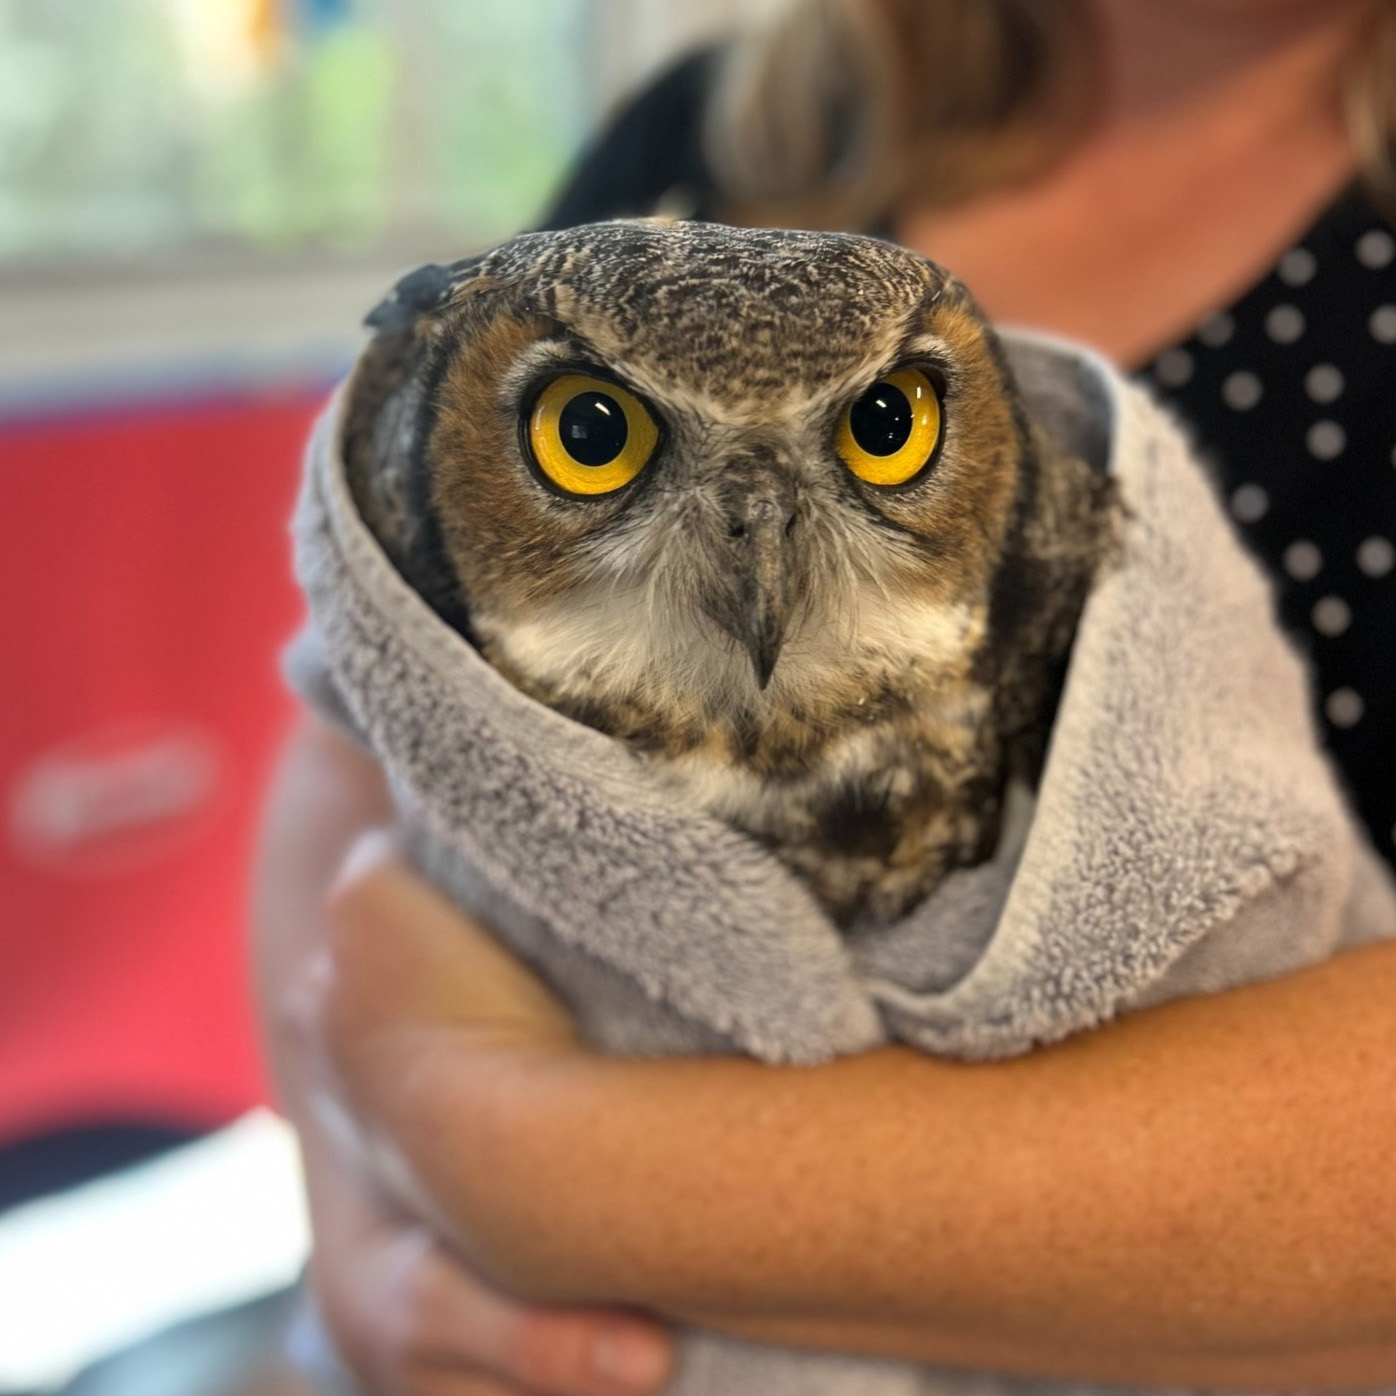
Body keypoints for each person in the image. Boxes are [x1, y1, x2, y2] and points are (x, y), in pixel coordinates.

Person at [255, 3, 1396, 1394]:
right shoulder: (716, 135)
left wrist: (501, 1146)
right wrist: (364, 1243)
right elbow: (361, 727)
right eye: (597, 433)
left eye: (884, 424)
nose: (750, 543)